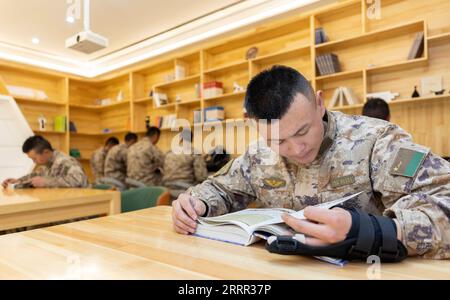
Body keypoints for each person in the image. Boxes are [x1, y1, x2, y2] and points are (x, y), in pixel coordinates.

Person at [171, 65, 450, 261]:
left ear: (319, 103)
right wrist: (196, 203)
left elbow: (444, 203)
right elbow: (219, 189)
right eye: (279, 141)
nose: (295, 148)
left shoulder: (377, 141)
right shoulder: (258, 155)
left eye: (303, 131)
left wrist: (371, 232)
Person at [2, 135, 88, 189]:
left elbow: (79, 181)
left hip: (79, 211)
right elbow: (34, 176)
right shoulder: (46, 164)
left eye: (35, 159)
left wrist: (46, 182)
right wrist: (17, 181)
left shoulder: (66, 162)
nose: (34, 162)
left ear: (46, 152)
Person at [163, 130, 208, 199]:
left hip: (167, 188)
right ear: (191, 139)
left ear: (180, 138)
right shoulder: (193, 153)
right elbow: (201, 177)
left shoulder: (169, 152)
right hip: (185, 189)